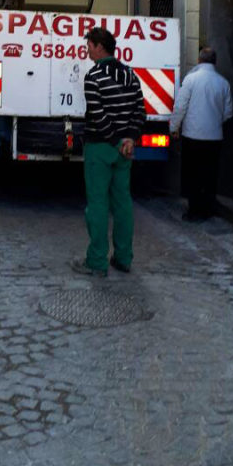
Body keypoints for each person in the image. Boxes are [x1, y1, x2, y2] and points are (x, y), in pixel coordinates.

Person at [71, 26, 146, 278]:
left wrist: (115, 140)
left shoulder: (94, 77)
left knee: (98, 205)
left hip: (101, 148)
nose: (87, 50)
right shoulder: (130, 75)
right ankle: (124, 258)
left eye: (89, 46)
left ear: (99, 47)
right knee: (123, 203)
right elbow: (140, 111)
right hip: (124, 149)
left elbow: (98, 115)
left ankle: (96, 261)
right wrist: (130, 139)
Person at [169, 47, 233, 221]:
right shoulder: (223, 83)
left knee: (193, 174)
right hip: (214, 137)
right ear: (215, 61)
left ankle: (194, 210)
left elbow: (180, 106)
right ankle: (207, 208)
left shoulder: (190, 80)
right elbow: (228, 112)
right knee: (210, 174)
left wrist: (174, 127)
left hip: (192, 136)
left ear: (199, 60)